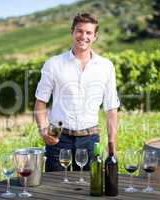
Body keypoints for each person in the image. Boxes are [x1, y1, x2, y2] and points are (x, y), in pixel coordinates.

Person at [34, 13, 119, 172]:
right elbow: (40, 102)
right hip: (57, 137)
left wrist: (111, 143)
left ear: (95, 36)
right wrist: (43, 130)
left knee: (89, 188)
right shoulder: (53, 64)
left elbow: (111, 109)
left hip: (90, 138)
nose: (83, 36)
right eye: (79, 31)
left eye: (89, 32)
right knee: (56, 189)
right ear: (72, 32)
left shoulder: (106, 67)